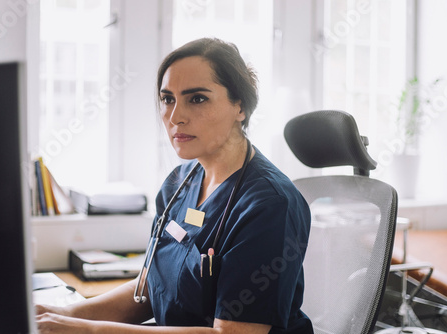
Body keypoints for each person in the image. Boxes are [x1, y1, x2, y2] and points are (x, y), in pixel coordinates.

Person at [36, 37, 313, 334]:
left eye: (197, 98)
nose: (175, 116)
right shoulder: (179, 183)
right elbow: (151, 288)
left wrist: (90, 331)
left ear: (240, 107)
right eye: (168, 99)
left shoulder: (270, 205)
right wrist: (61, 314)